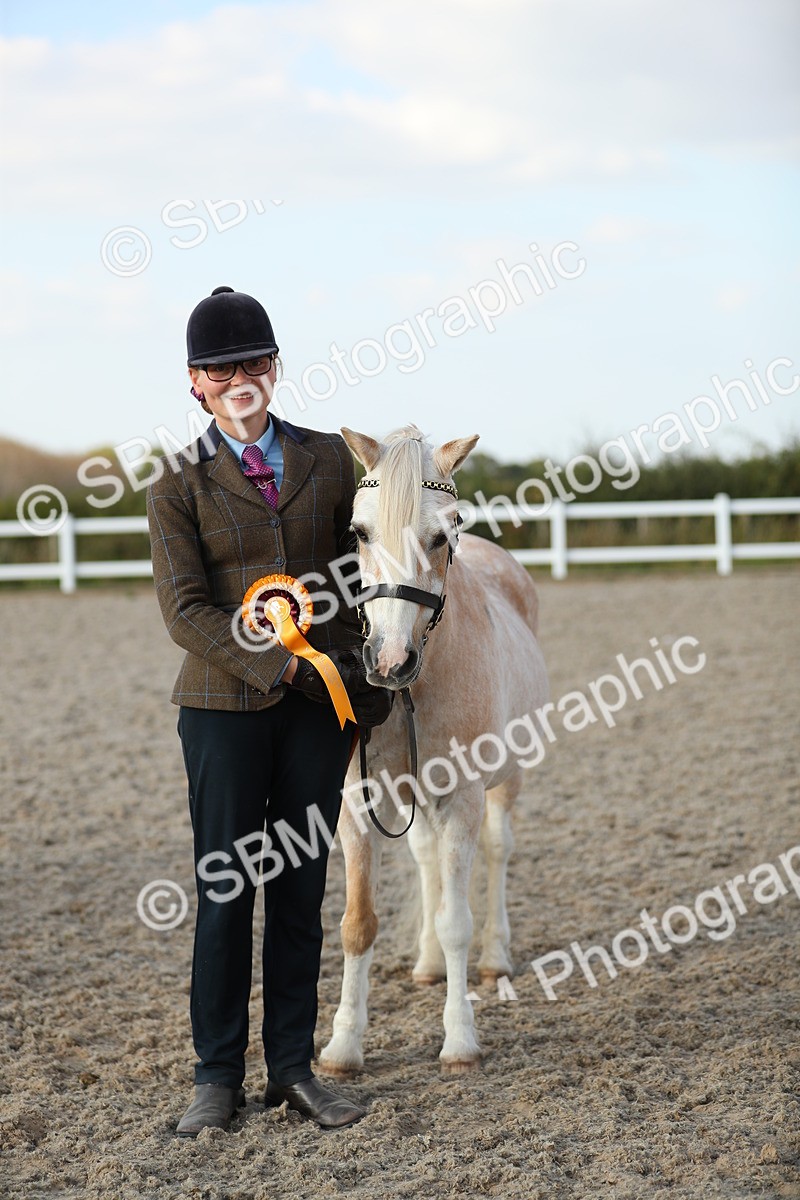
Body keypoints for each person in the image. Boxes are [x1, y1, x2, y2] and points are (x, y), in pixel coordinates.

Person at [146, 285, 391, 1137]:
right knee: (226, 890)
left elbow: (366, 572)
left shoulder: (329, 458)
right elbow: (184, 611)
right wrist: (278, 670)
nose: (239, 376)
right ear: (196, 383)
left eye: (253, 361)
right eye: (221, 368)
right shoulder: (176, 483)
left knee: (301, 887)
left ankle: (291, 1068)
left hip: (323, 707)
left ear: (276, 368)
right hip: (224, 708)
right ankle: (216, 1074)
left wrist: (366, 675)